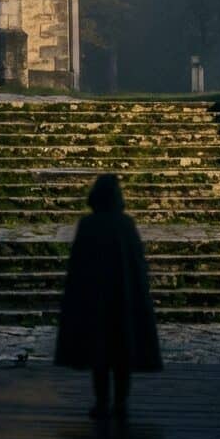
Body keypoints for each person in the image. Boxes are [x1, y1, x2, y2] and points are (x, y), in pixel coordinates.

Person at [54, 173, 162, 420]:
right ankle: (120, 403)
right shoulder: (125, 224)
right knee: (121, 356)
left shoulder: (89, 225)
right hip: (122, 298)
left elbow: (78, 266)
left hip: (96, 299)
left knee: (100, 356)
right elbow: (137, 265)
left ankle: (102, 402)